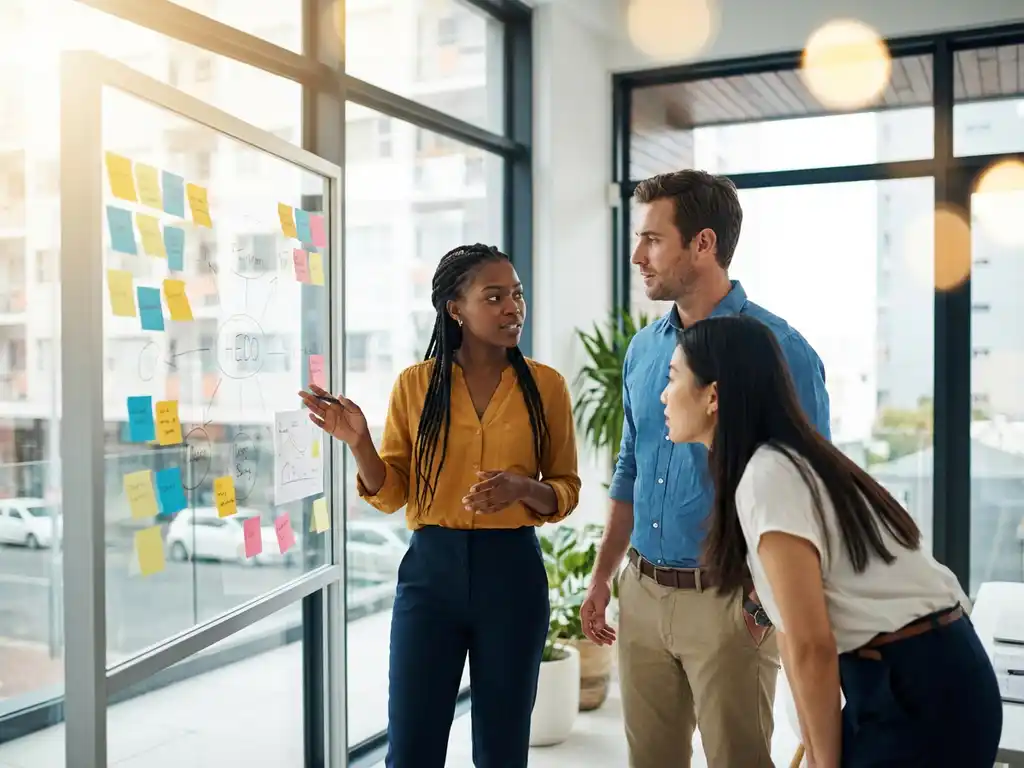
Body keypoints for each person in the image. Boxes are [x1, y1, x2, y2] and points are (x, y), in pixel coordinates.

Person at [660, 314, 1002, 767]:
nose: (663, 395)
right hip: (914, 674)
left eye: (673, 378)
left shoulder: (770, 475)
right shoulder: (779, 465)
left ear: (713, 396)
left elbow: (811, 646)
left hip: (923, 687)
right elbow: (791, 632)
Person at [580, 170, 831, 767]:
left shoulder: (781, 349)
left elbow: (815, 490)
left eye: (653, 240)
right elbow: (629, 469)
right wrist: (602, 576)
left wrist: (760, 601)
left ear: (704, 243)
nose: (638, 256)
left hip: (728, 602)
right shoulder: (645, 351)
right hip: (641, 593)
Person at [299, 243, 581, 768]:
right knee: (410, 750)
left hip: (512, 573)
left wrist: (522, 488)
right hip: (431, 574)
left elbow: (565, 488)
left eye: (516, 295)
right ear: (455, 308)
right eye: (494, 297)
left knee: (501, 751)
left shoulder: (546, 387)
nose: (512, 308)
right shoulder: (416, 385)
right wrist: (360, 442)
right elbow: (391, 493)